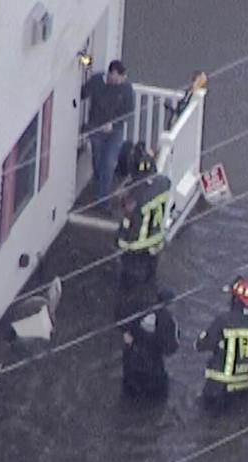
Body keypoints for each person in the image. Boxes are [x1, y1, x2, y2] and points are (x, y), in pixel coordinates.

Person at [194, 276, 248, 411]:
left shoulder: (223, 320)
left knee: (207, 422)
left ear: (235, 300)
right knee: (240, 418)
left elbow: (200, 345)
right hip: (245, 387)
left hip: (219, 387)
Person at [81, 60, 135, 204]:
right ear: (111, 74)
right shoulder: (97, 81)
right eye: (118, 77)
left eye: (122, 78)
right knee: (98, 160)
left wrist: (115, 123)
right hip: (96, 128)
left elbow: (129, 112)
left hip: (115, 131)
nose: (121, 81)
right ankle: (99, 188)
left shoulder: (127, 88)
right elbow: (82, 93)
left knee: (109, 162)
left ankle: (103, 199)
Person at [115, 148, 171, 286]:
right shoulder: (163, 184)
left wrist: (119, 243)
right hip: (154, 245)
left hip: (134, 250)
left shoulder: (133, 197)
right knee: (149, 284)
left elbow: (128, 224)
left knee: (129, 289)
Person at [117, 283, 180, 398]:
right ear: (170, 304)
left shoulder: (139, 307)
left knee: (128, 398)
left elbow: (121, 315)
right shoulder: (169, 321)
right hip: (152, 370)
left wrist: (126, 332)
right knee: (155, 402)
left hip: (131, 363)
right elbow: (171, 349)